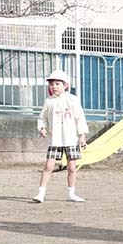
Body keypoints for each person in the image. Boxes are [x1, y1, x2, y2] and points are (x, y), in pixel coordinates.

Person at [33, 69, 89, 203]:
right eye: (52, 84)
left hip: (71, 139)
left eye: (57, 84)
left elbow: (80, 118)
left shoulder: (72, 100)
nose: (54, 87)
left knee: (71, 167)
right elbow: (43, 117)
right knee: (49, 166)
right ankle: (41, 193)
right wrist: (42, 128)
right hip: (55, 139)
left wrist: (82, 136)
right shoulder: (48, 101)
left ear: (66, 85)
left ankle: (71, 193)